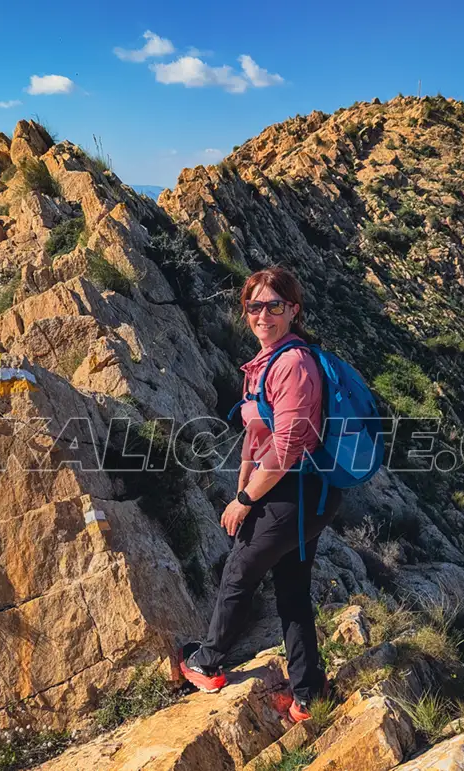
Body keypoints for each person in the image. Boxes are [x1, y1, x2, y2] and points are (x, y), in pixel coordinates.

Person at [180, 266, 343, 722]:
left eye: (274, 305)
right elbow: (257, 434)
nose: (263, 315)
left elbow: (288, 445)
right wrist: (242, 486)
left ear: (293, 309)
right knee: (291, 589)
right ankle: (310, 692)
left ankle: (207, 662)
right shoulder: (263, 364)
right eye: (254, 306)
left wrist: (248, 500)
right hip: (294, 493)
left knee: (239, 573)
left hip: (296, 491)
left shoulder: (292, 363)